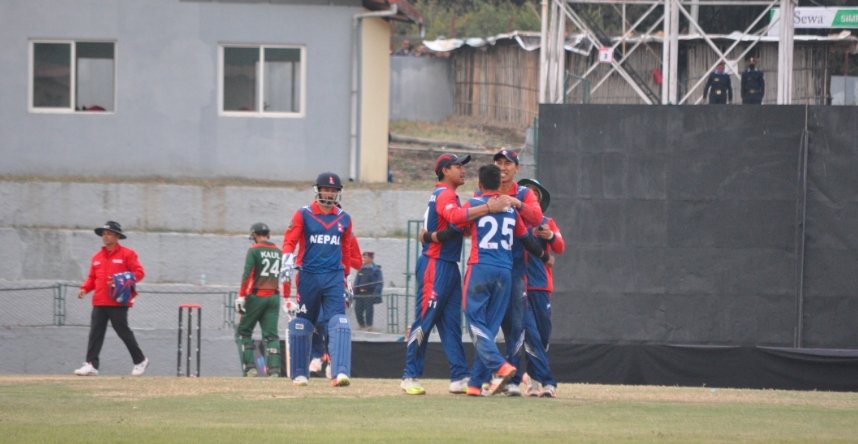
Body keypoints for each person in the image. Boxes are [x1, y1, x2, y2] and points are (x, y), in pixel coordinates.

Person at [400, 153, 518, 396]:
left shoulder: (451, 196)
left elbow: (456, 227)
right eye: (457, 166)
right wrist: (487, 207)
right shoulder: (444, 193)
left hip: (448, 264)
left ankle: (458, 376)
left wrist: (431, 235)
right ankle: (409, 375)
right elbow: (455, 218)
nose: (463, 170)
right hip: (435, 263)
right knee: (425, 319)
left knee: (451, 325)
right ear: (444, 171)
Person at [461, 165, 552, 396]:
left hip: (480, 267)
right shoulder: (511, 210)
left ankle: (500, 365)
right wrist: (544, 256)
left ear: (480, 186)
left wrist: (428, 234)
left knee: (473, 319)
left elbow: (457, 224)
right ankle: (475, 383)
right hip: (505, 272)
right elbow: (526, 239)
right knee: (490, 326)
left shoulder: (474, 204)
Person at [281, 172, 356, 387]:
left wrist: (347, 278)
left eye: (334, 190)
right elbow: (290, 240)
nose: (330, 193)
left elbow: (346, 250)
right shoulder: (303, 214)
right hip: (309, 276)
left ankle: (340, 372)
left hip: (334, 276)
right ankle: (299, 374)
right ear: (318, 190)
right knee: (303, 323)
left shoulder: (344, 218)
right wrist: (286, 260)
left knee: (339, 321)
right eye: (326, 189)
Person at [491, 149, 544, 396]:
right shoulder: (485, 190)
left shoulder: (524, 193)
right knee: (489, 323)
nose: (503, 167)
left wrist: (517, 203)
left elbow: (536, 216)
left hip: (514, 270)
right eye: (498, 162)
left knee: (516, 326)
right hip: (488, 268)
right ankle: (495, 375)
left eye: (507, 163)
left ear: (517, 168)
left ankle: (514, 379)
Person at [74, 221, 149, 376]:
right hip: (99, 301)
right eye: (104, 233)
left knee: (123, 332)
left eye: (109, 233)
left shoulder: (128, 254)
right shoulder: (96, 257)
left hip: (118, 301)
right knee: (95, 333)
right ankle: (91, 365)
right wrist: (84, 289)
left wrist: (119, 280)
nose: (105, 236)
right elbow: (92, 278)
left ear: (117, 236)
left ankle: (140, 360)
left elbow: (139, 273)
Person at [519, 178, 565, 398]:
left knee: (543, 335)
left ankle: (535, 377)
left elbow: (560, 247)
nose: (530, 195)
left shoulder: (547, 222)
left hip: (541, 286)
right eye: (526, 191)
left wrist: (551, 235)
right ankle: (540, 383)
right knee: (531, 336)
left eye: (534, 192)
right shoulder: (515, 220)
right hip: (521, 285)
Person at [234, 222, 283, 377]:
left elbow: (247, 274)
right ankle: (274, 371)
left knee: (243, 331)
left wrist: (242, 296)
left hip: (257, 296)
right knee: (271, 336)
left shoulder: (254, 250)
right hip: (274, 296)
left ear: (254, 235)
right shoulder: (278, 251)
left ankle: (250, 369)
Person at [354, 251, 383, 331]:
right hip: (360, 294)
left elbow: (379, 283)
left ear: (370, 258)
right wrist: (354, 291)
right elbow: (357, 281)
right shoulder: (361, 269)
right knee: (358, 310)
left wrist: (376, 293)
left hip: (369, 293)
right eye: (363, 257)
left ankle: (369, 326)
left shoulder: (375, 270)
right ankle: (362, 325)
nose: (363, 259)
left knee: (369, 311)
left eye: (365, 257)